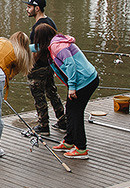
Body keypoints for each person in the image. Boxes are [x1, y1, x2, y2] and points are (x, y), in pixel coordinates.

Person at [33, 23, 99, 159]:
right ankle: (69, 141)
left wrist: (72, 87)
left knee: (76, 114)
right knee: (70, 110)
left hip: (85, 81)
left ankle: (81, 148)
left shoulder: (57, 46)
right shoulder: (54, 42)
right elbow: (36, 48)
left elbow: (71, 65)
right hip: (83, 80)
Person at [24, 0, 67, 136]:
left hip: (39, 67)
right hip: (50, 65)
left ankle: (43, 125)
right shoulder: (50, 22)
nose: (27, 9)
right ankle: (62, 121)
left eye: (29, 7)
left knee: (39, 96)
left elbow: (38, 49)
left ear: (37, 8)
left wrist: (29, 65)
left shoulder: (38, 27)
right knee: (52, 93)